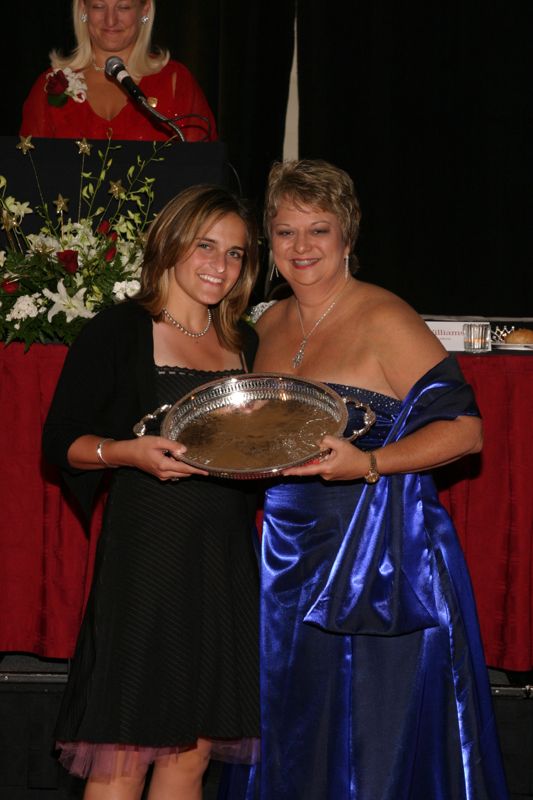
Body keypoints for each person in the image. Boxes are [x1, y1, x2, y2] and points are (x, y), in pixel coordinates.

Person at [221, 159, 509, 799]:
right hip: (284, 558)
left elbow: (466, 430)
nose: (302, 248)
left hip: (376, 556)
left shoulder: (385, 317)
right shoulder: (266, 324)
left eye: (318, 231)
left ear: (347, 239)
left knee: (371, 738)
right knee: (293, 729)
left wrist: (370, 462)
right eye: (287, 232)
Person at [42, 183, 260, 800]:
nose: (221, 265)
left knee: (190, 756)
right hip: (148, 560)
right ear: (170, 245)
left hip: (222, 564)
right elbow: (61, 443)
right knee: (125, 751)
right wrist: (128, 453)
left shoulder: (244, 344)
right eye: (206, 246)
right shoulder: (119, 330)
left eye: (237, 253)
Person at [20, 0, 217, 142]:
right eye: (99, 6)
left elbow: (202, 183)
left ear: (145, 10)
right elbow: (28, 174)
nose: (111, 20)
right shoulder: (52, 84)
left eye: (123, 7)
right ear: (83, 8)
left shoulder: (175, 82)